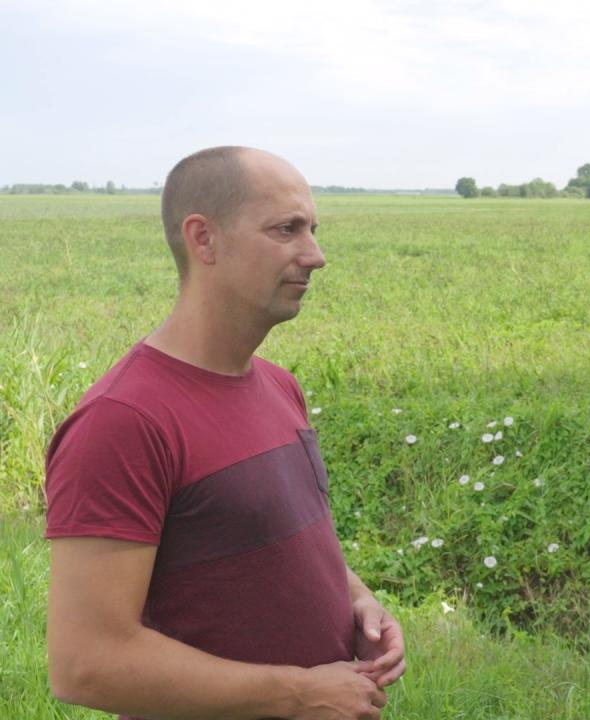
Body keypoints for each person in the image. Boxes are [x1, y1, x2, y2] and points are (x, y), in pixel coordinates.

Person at [44, 146, 404, 720]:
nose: (316, 255)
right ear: (203, 239)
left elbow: (281, 543)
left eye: (312, 228)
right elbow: (85, 662)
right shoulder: (124, 422)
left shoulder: (279, 386)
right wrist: (299, 693)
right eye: (286, 229)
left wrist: (357, 597)